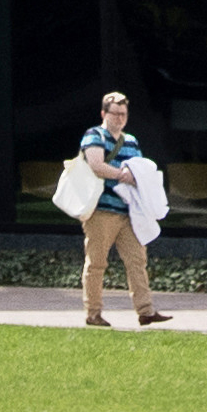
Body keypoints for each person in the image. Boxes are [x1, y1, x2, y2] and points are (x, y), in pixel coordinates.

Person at [60, 89, 171, 327]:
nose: (120, 118)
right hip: (100, 211)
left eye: (123, 114)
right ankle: (93, 313)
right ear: (103, 113)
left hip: (128, 213)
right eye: (115, 113)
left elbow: (139, 168)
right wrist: (125, 175)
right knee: (97, 263)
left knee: (137, 262)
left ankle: (146, 311)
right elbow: (96, 166)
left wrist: (136, 176)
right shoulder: (94, 136)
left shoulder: (131, 141)